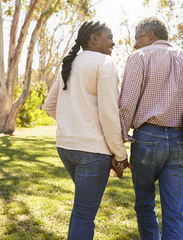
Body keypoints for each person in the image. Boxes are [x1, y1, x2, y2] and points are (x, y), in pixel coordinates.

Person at [44, 20, 131, 240]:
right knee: (84, 213)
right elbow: (109, 114)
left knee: (81, 210)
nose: (114, 42)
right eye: (109, 36)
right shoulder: (105, 62)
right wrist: (120, 155)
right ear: (94, 38)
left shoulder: (70, 62)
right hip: (92, 153)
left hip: (65, 147)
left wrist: (74, 123)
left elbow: (49, 105)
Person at [119, 17, 183, 240]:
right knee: (174, 212)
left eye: (137, 38)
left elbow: (126, 104)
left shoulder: (139, 57)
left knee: (144, 203)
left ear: (151, 34)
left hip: (147, 138)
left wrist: (119, 142)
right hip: (182, 142)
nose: (135, 44)